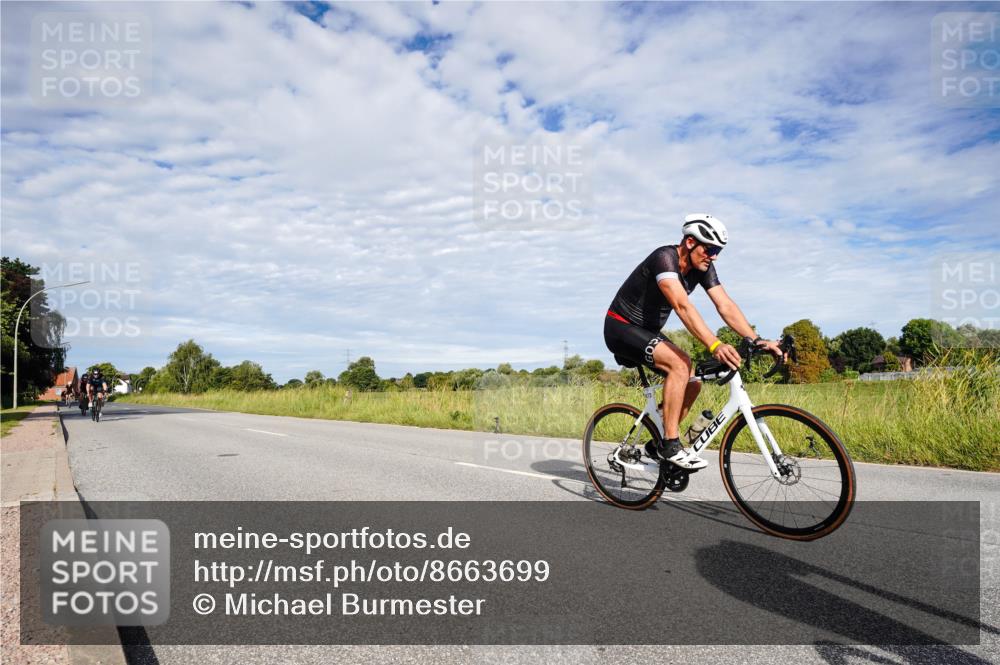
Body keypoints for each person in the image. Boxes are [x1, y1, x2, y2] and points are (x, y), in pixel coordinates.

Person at [604, 213, 782, 469]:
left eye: (718, 250)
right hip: (620, 327)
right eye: (710, 249)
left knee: (693, 381)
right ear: (689, 242)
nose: (714, 256)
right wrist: (715, 344)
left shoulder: (703, 267)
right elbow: (682, 305)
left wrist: (756, 339)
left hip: (647, 332)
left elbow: (725, 305)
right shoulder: (664, 259)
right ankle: (670, 443)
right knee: (680, 364)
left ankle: (659, 442)